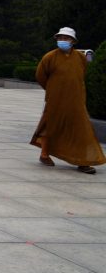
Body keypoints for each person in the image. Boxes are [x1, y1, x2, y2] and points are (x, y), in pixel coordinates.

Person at [30, 27, 105, 174]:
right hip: (55, 99)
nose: (62, 41)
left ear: (73, 41)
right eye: (60, 38)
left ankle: (83, 161)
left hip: (76, 99)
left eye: (66, 38)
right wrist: (53, 89)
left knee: (80, 130)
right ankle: (44, 154)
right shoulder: (50, 57)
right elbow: (40, 76)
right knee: (50, 126)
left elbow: (81, 76)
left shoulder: (80, 58)